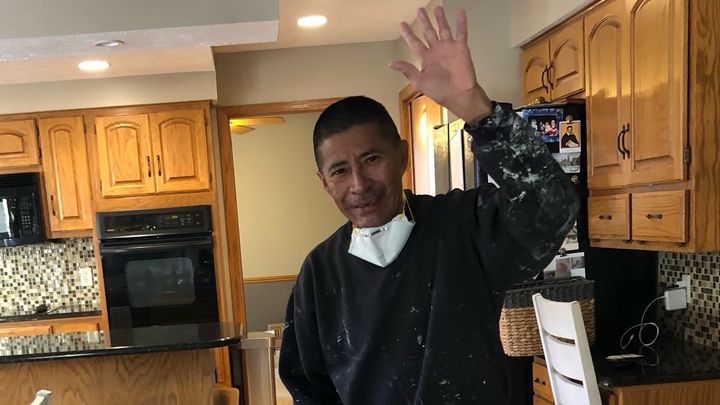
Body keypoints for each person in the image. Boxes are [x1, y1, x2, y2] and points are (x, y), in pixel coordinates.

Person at [279, 6, 579, 404]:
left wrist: (477, 110)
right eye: (339, 171)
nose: (359, 184)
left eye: (372, 159)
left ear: (402, 156)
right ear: (324, 183)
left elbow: (552, 210)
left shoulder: (464, 227)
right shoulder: (320, 274)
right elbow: (309, 389)